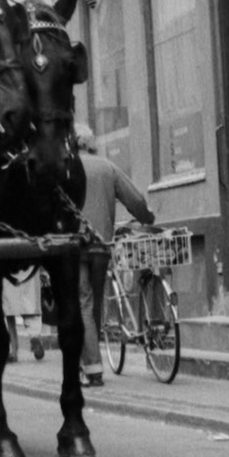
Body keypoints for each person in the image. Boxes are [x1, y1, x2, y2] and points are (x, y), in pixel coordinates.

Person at [71, 126, 154, 386]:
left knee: (82, 303)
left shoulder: (66, 168)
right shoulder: (107, 167)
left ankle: (92, 368)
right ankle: (90, 362)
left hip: (74, 245)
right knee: (94, 303)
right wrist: (147, 218)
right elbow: (135, 200)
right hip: (102, 246)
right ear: (91, 142)